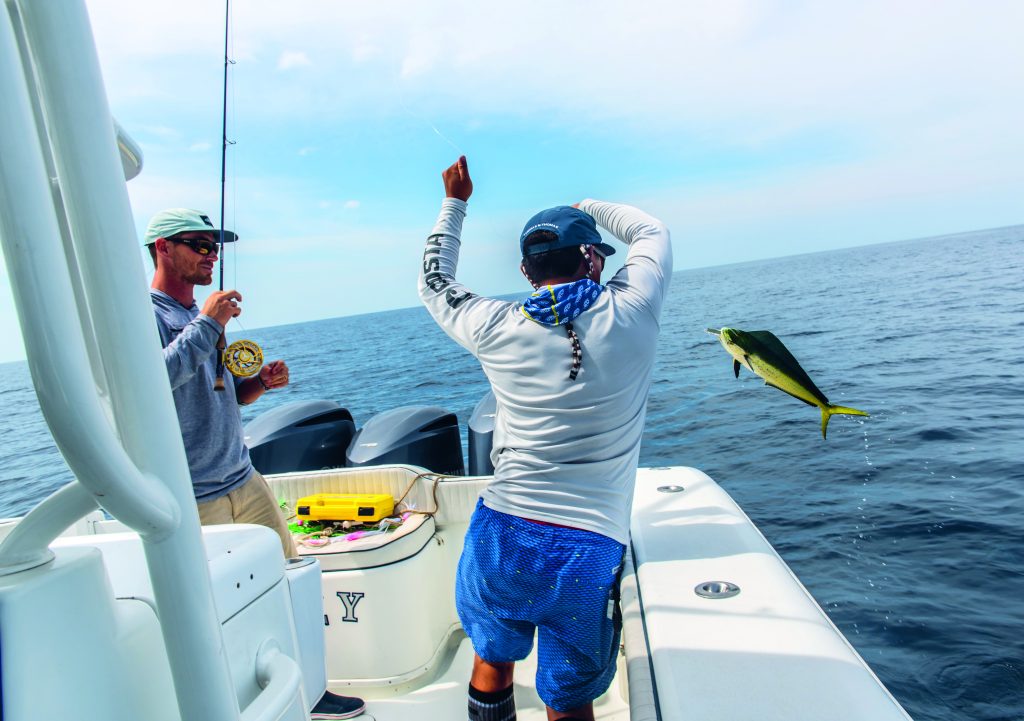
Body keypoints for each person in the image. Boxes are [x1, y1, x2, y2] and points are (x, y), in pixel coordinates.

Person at [419, 158, 672, 721]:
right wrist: (588, 206)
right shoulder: (633, 310)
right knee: (567, 696)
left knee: (491, 660)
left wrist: (455, 201)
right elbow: (650, 231)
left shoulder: (492, 324)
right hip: (586, 549)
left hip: (501, 533)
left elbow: (433, 279)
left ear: (526, 270)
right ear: (592, 258)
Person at [144, 209, 366, 720]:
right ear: (163, 247)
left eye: (215, 247)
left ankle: (312, 691)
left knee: (290, 581)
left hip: (244, 480)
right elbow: (153, 383)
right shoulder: (146, 316)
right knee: (217, 610)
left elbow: (220, 391)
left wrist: (259, 384)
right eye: (200, 244)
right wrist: (208, 323)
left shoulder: (200, 317)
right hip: (194, 500)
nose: (211, 255)